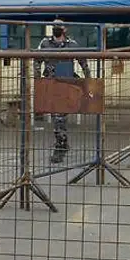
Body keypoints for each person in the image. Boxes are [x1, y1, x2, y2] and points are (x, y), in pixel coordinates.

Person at [37, 19, 86, 164]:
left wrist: (89, 82)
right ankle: (62, 144)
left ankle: (60, 146)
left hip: (66, 84)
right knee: (56, 117)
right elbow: (37, 61)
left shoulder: (72, 44)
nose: (56, 28)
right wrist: (37, 79)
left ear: (65, 29)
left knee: (59, 116)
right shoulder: (45, 43)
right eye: (54, 26)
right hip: (50, 84)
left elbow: (83, 62)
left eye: (59, 26)